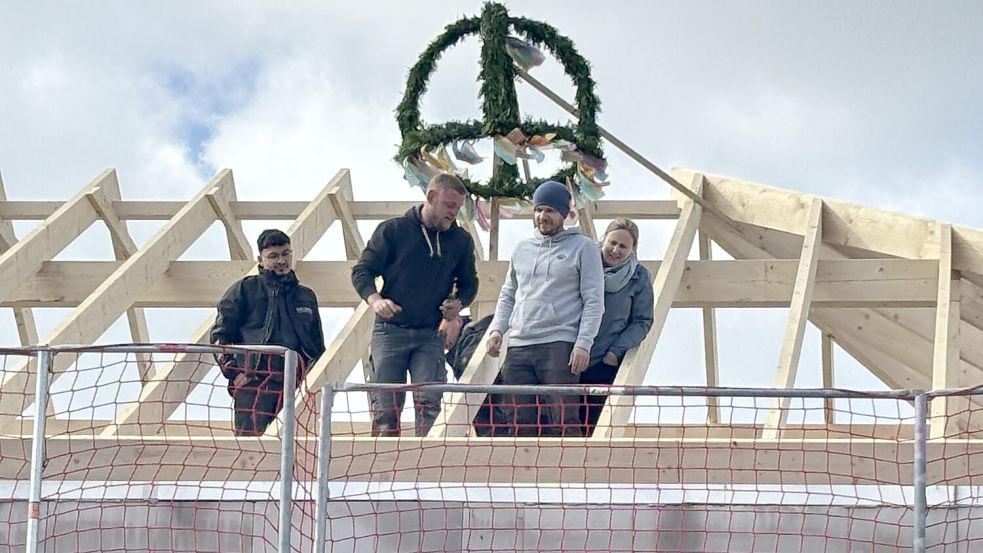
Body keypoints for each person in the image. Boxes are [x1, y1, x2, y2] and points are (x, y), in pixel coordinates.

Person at [351, 173, 478, 437]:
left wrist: (458, 305)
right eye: (449, 205)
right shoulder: (394, 231)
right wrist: (376, 300)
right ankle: (383, 471)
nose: (454, 213)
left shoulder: (460, 241)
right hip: (390, 330)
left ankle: (426, 470)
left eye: (458, 207)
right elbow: (362, 271)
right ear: (431, 197)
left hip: (430, 334)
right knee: (385, 411)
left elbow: (470, 283)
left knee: (430, 407)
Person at [486, 180, 604, 436]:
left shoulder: (584, 248)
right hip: (518, 346)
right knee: (518, 421)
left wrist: (583, 343)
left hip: (559, 345)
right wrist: (497, 330)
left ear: (564, 213)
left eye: (550, 210)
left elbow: (594, 300)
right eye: (539, 209)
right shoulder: (522, 249)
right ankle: (522, 474)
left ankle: (571, 475)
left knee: (564, 420)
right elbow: (508, 293)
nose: (543, 216)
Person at [211, 229, 326, 436]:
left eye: (285, 254)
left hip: (296, 385)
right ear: (260, 260)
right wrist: (234, 373)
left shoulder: (306, 297)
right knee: (251, 448)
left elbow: (317, 346)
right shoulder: (245, 290)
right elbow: (220, 336)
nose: (281, 260)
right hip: (255, 381)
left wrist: (312, 380)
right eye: (273, 256)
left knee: (297, 449)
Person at [580, 219, 654, 436]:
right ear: (603, 240)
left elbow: (642, 320)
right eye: (612, 243)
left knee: (590, 426)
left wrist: (615, 352)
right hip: (568, 356)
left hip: (602, 362)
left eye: (623, 247)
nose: (615, 250)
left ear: (632, 250)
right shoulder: (582, 264)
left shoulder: (638, 277)